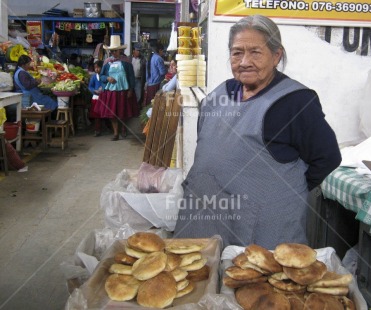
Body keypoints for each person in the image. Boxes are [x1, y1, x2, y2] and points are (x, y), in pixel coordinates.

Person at [173, 15, 342, 249]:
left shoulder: (296, 102)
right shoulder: (218, 95)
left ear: (276, 56)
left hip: (265, 233)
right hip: (207, 223)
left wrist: (284, 187)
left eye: (255, 52)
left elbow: (328, 157)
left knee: (258, 281)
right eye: (237, 52)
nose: (244, 61)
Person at [95, 35, 139, 141]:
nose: (114, 53)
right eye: (112, 51)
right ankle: (116, 133)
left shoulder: (126, 62)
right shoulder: (107, 62)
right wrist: (107, 78)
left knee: (123, 111)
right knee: (112, 113)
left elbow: (131, 77)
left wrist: (130, 89)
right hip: (111, 91)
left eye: (116, 51)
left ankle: (123, 129)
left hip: (123, 91)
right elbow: (101, 76)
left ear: (120, 50)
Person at [144, 42, 167, 106]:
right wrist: (167, 70)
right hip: (156, 84)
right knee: (155, 104)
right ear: (159, 50)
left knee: (150, 105)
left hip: (149, 84)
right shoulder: (158, 58)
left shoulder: (150, 57)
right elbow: (162, 72)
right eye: (162, 51)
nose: (162, 53)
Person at [88, 60, 104, 136]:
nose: (96, 69)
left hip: (104, 97)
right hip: (96, 97)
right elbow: (90, 86)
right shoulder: (94, 77)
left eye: (98, 68)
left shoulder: (105, 76)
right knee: (96, 115)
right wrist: (94, 90)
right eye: (95, 68)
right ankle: (97, 129)